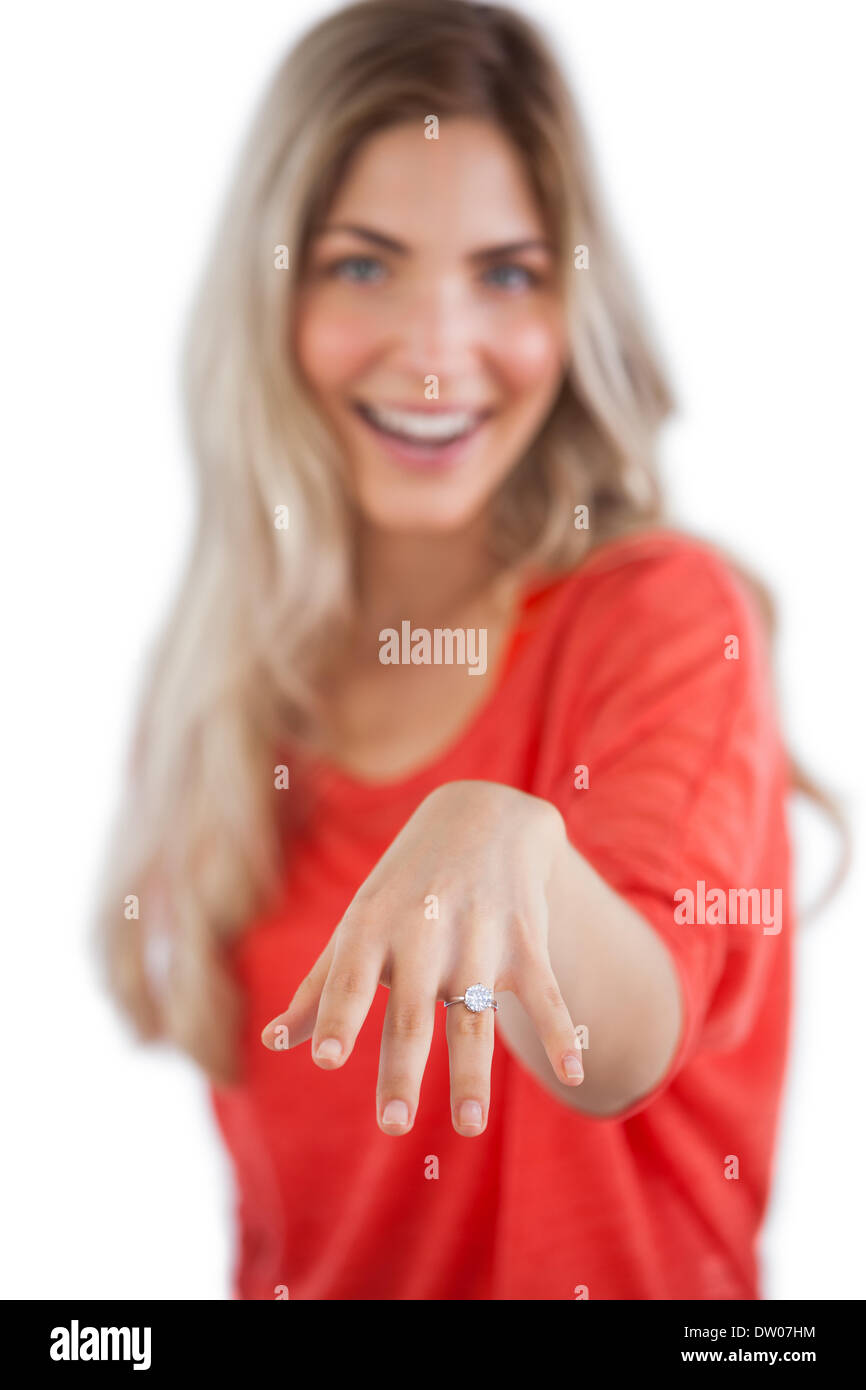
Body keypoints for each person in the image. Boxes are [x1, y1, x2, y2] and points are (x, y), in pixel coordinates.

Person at [97, 0, 831, 1299]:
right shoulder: (227, 692)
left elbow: (630, 1031)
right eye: (362, 264)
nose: (435, 355)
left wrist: (511, 838)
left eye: (506, 271)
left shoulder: (659, 615)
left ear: (572, 307)